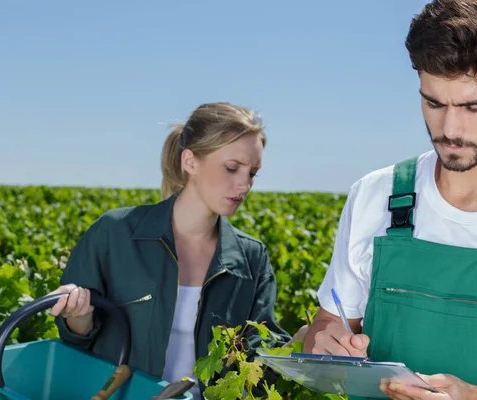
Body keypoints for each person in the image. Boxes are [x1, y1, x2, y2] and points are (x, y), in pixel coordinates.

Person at [303, 1, 477, 399]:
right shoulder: (375, 194)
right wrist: (323, 343)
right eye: (433, 103)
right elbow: (325, 328)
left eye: (474, 106)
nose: (450, 128)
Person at [47, 102, 299, 399]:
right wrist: (78, 314)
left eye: (253, 173)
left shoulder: (252, 258)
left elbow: (255, 357)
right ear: (190, 161)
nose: (244, 185)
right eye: (231, 168)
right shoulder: (114, 233)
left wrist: (296, 347)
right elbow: (75, 340)